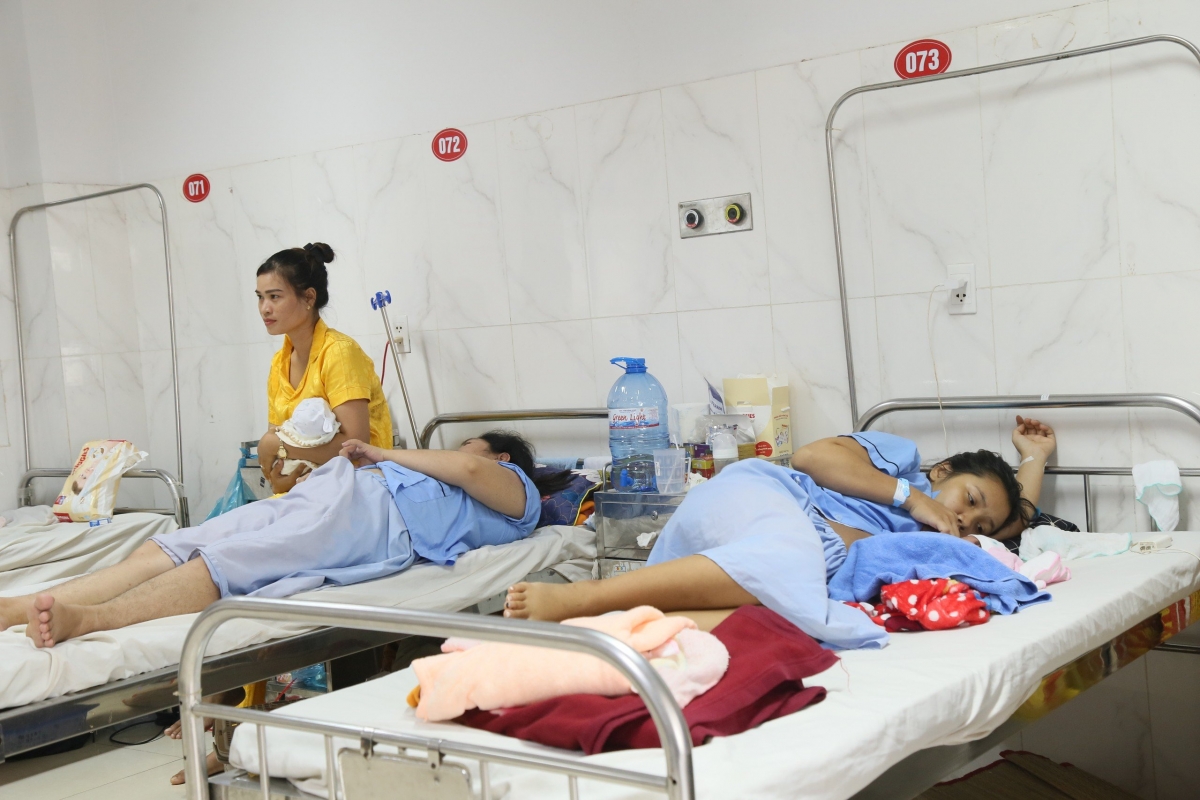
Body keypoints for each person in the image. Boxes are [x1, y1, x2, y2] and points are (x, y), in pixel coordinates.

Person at [504, 416, 1056, 647]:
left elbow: (1020, 516)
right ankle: (587, 597)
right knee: (787, 558)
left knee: (784, 624)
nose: (965, 521)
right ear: (942, 472)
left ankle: (611, 627)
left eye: (979, 525)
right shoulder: (904, 466)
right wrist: (912, 499)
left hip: (803, 567)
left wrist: (1035, 456)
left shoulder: (943, 539)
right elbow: (814, 457)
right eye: (968, 500)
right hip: (774, 501)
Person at [2, 431, 571, 648]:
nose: (453, 451)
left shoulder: (517, 495)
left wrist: (380, 452)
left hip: (375, 520)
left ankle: (89, 621)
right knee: (181, 542)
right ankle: (21, 606)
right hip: (333, 490)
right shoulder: (427, 469)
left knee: (229, 561)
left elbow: (466, 470)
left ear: (501, 456)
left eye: (467, 442)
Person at [254, 243, 394, 495]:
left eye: (274, 296)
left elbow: (356, 446)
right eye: (260, 297)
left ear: (309, 297)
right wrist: (279, 480)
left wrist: (276, 446)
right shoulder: (279, 363)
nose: (265, 308)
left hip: (356, 489)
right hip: (302, 493)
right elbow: (275, 446)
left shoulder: (339, 352)